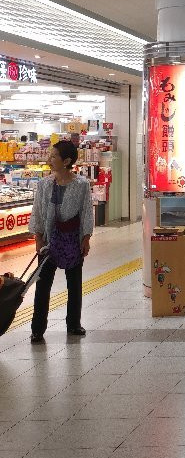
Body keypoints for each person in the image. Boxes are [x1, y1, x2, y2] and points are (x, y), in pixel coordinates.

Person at [29, 140, 94, 342]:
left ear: (66, 161)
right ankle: (37, 328)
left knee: (74, 285)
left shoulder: (81, 185)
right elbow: (38, 212)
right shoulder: (44, 184)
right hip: (50, 239)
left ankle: (74, 324)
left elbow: (86, 212)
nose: (50, 159)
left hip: (72, 239)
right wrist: (38, 238)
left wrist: (86, 238)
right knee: (42, 286)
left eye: (54, 156)